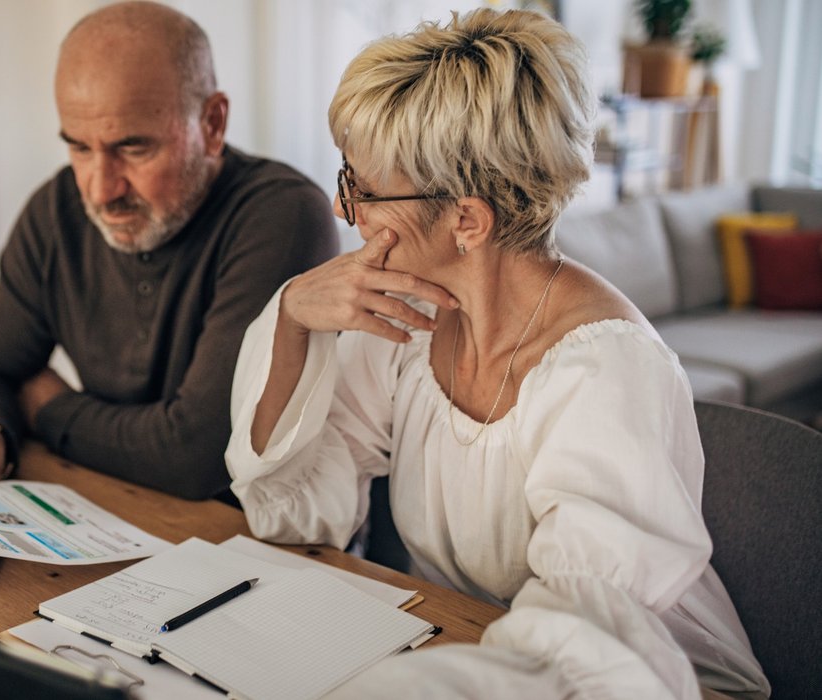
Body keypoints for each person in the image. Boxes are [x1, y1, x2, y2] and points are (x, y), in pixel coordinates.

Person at [225, 9, 769, 698]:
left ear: (466, 220)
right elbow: (295, 513)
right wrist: (294, 320)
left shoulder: (606, 371)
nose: (344, 213)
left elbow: (584, 642)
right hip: (472, 646)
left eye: (362, 190)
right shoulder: (410, 317)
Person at [0, 1, 338, 500]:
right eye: (78, 147)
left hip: (260, 544)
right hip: (118, 515)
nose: (100, 191)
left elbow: (198, 457)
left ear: (212, 123)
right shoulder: (57, 210)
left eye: (133, 148)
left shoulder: (282, 216)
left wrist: (46, 408)